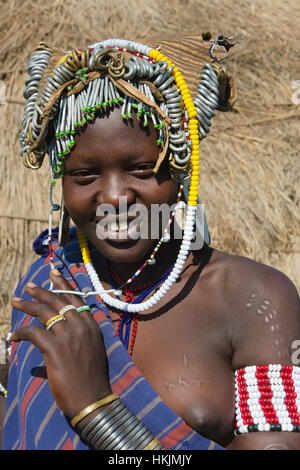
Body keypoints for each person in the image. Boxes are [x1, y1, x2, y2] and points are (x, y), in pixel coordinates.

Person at [1, 34, 300, 451]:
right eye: (85, 175)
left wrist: (97, 408)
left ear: (180, 170)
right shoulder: (49, 285)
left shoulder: (255, 298)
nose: (115, 197)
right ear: (62, 184)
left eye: (142, 169)